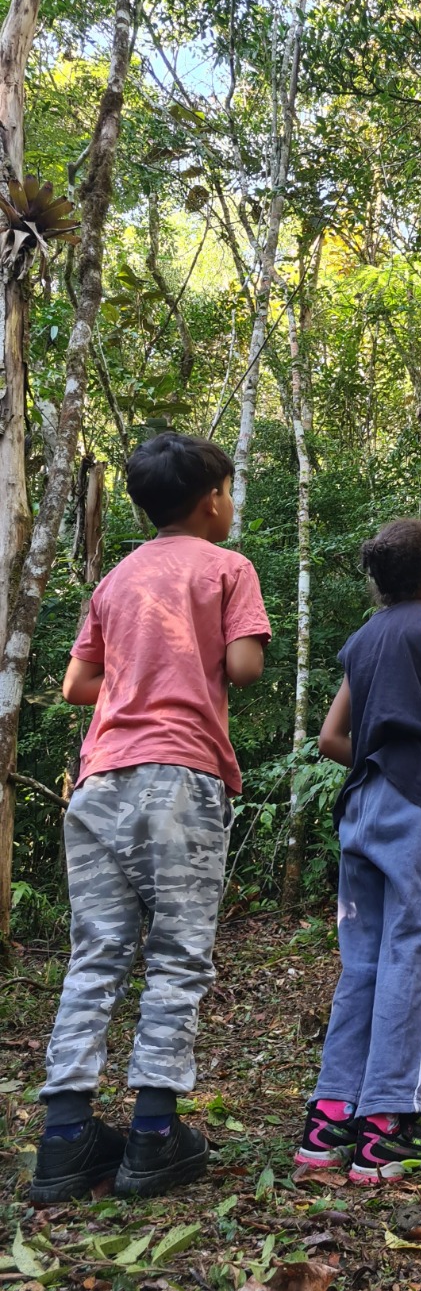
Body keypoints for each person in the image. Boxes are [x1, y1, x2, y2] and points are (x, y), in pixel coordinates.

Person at [33, 432, 271, 1203]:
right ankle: (154, 1133)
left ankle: (66, 1140)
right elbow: (243, 668)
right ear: (212, 500)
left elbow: (78, 684)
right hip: (181, 779)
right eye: (229, 492)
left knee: (96, 954)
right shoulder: (229, 569)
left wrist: (137, 679)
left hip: (100, 780)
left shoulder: (115, 578)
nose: (230, 504)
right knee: (176, 954)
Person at [294, 518, 421, 1183]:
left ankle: (329, 1120)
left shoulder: (361, 641)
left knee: (363, 962)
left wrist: (377, 757)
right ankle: (386, 1127)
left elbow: (329, 738)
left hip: (361, 806)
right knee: (411, 953)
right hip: (412, 806)